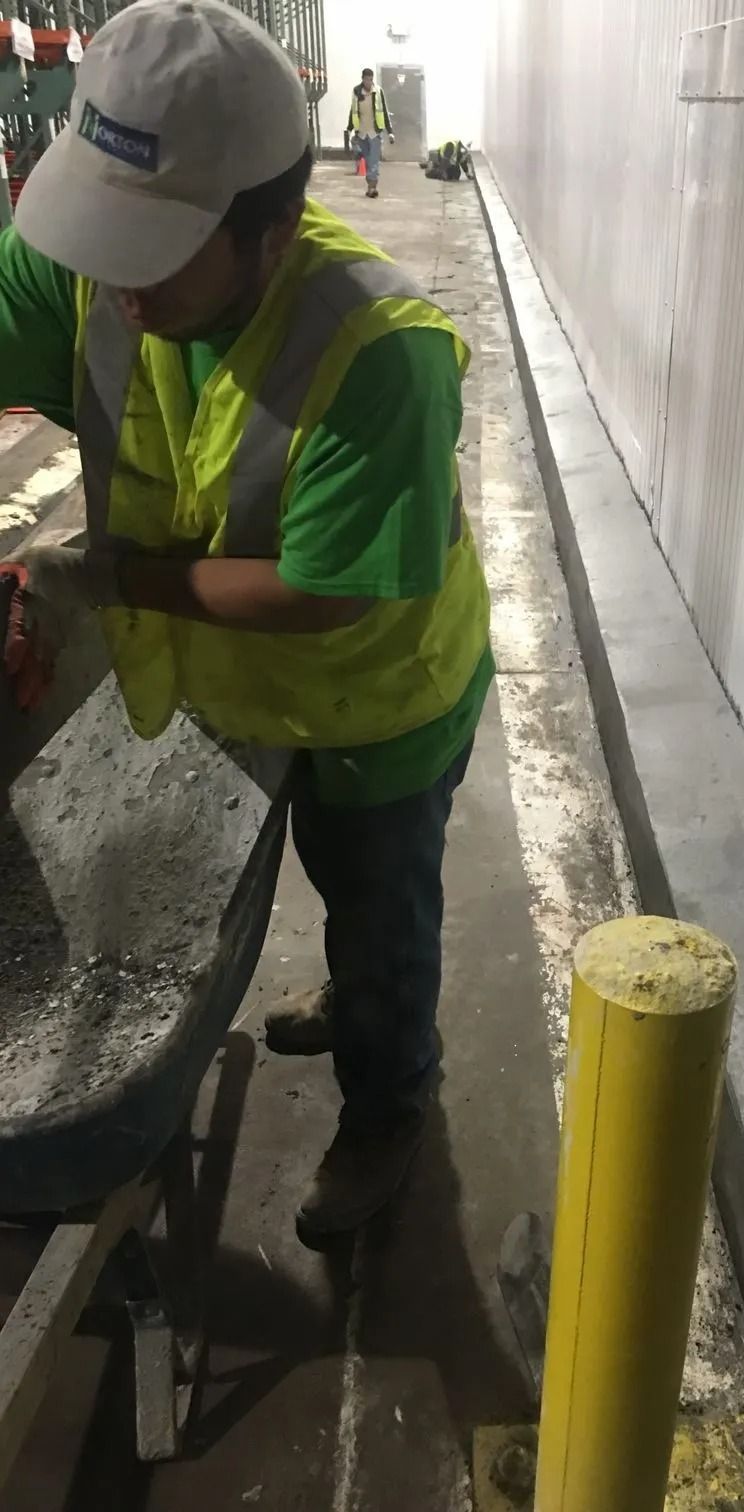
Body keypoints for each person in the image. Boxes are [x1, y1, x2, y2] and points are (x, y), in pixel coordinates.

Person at [0, 0, 493, 1245]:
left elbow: (323, 591)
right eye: (102, 239)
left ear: (273, 230)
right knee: (323, 869)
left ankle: (389, 1102)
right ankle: (358, 993)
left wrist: (108, 578)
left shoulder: (378, 351)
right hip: (237, 678)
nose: (116, 285)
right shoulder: (88, 266)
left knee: (379, 900)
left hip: (377, 696)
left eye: (154, 255)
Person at [348, 67, 394, 199]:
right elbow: (353, 110)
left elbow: (384, 111)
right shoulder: (356, 92)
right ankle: (370, 185)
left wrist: (390, 131)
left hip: (375, 132)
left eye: (371, 79)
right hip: (362, 132)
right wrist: (350, 128)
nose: (369, 82)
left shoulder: (378, 91)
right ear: (362, 79)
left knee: (373, 161)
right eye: (367, 80)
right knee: (368, 161)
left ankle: (372, 188)